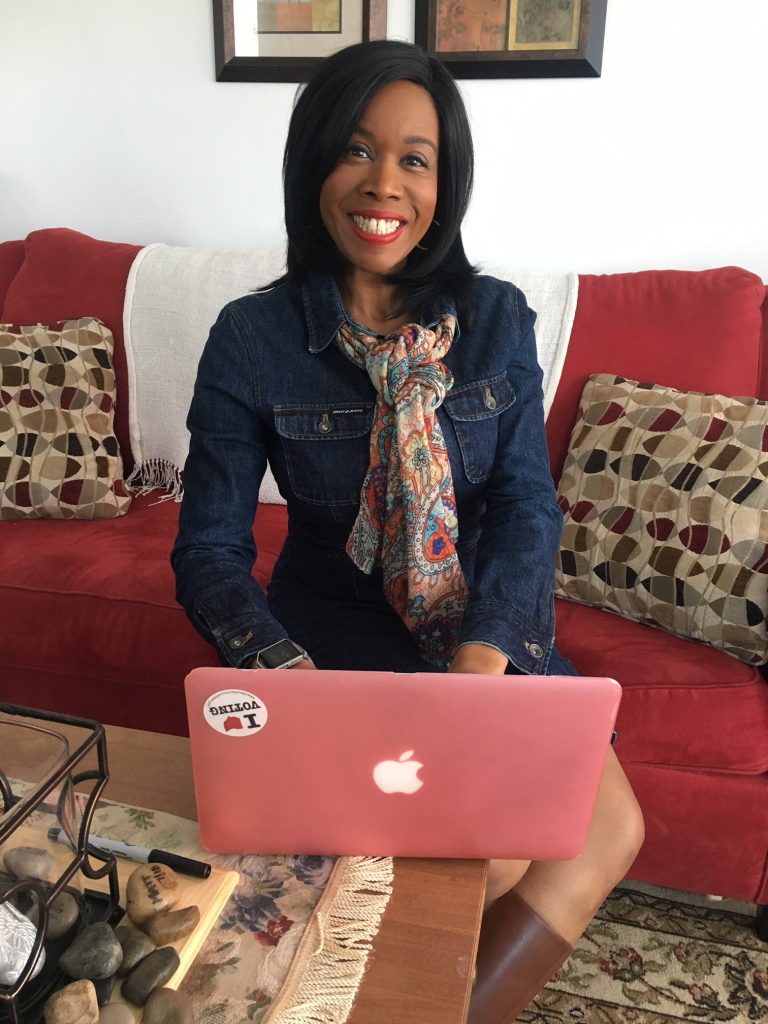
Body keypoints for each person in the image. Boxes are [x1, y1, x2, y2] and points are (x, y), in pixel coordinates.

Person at [171, 39, 644, 1024]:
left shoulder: (497, 319)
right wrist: (285, 676)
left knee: (608, 829)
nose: (384, 182)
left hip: (478, 630)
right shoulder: (252, 338)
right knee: (482, 857)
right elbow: (209, 550)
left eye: (414, 159)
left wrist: (482, 665)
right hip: (330, 637)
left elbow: (525, 506)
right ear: (312, 164)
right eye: (356, 148)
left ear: (444, 181)